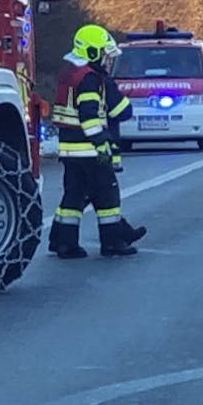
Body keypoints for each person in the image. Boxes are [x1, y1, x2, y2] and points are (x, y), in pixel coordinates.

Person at [48, 24, 147, 259]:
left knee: (73, 198)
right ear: (92, 53)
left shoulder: (71, 73)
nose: (106, 60)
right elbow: (90, 116)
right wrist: (102, 144)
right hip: (90, 151)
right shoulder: (90, 79)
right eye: (104, 54)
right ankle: (113, 241)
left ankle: (64, 243)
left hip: (70, 152)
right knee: (108, 198)